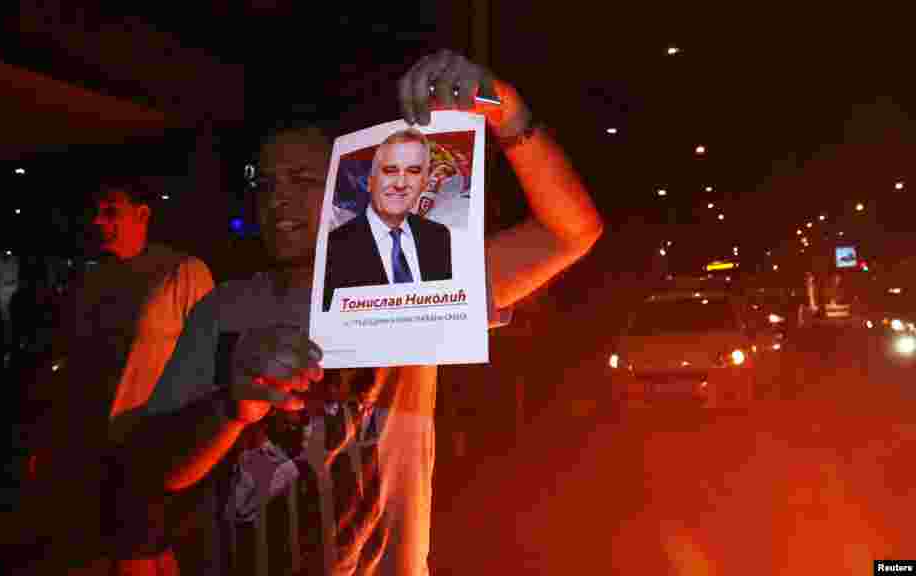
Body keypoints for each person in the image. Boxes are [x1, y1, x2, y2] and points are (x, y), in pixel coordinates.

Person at [115, 49, 603, 575]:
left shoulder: (407, 281)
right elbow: (158, 469)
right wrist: (231, 408)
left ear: (350, 185)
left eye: (302, 180)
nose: (279, 199)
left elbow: (568, 232)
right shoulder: (222, 310)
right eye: (268, 183)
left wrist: (506, 112)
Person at [0, 176, 215, 574]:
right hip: (93, 445)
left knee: (140, 554)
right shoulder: (93, 279)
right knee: (129, 553)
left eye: (111, 211)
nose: (98, 221)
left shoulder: (181, 272)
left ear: (143, 214)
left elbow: (209, 361)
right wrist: (48, 434)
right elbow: (74, 364)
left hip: (152, 444)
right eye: (96, 212)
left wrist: (196, 438)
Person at [324, 129, 452, 311]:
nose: (400, 183)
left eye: (413, 171)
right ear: (369, 181)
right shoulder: (333, 246)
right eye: (390, 170)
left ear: (423, 183)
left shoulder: (439, 236)